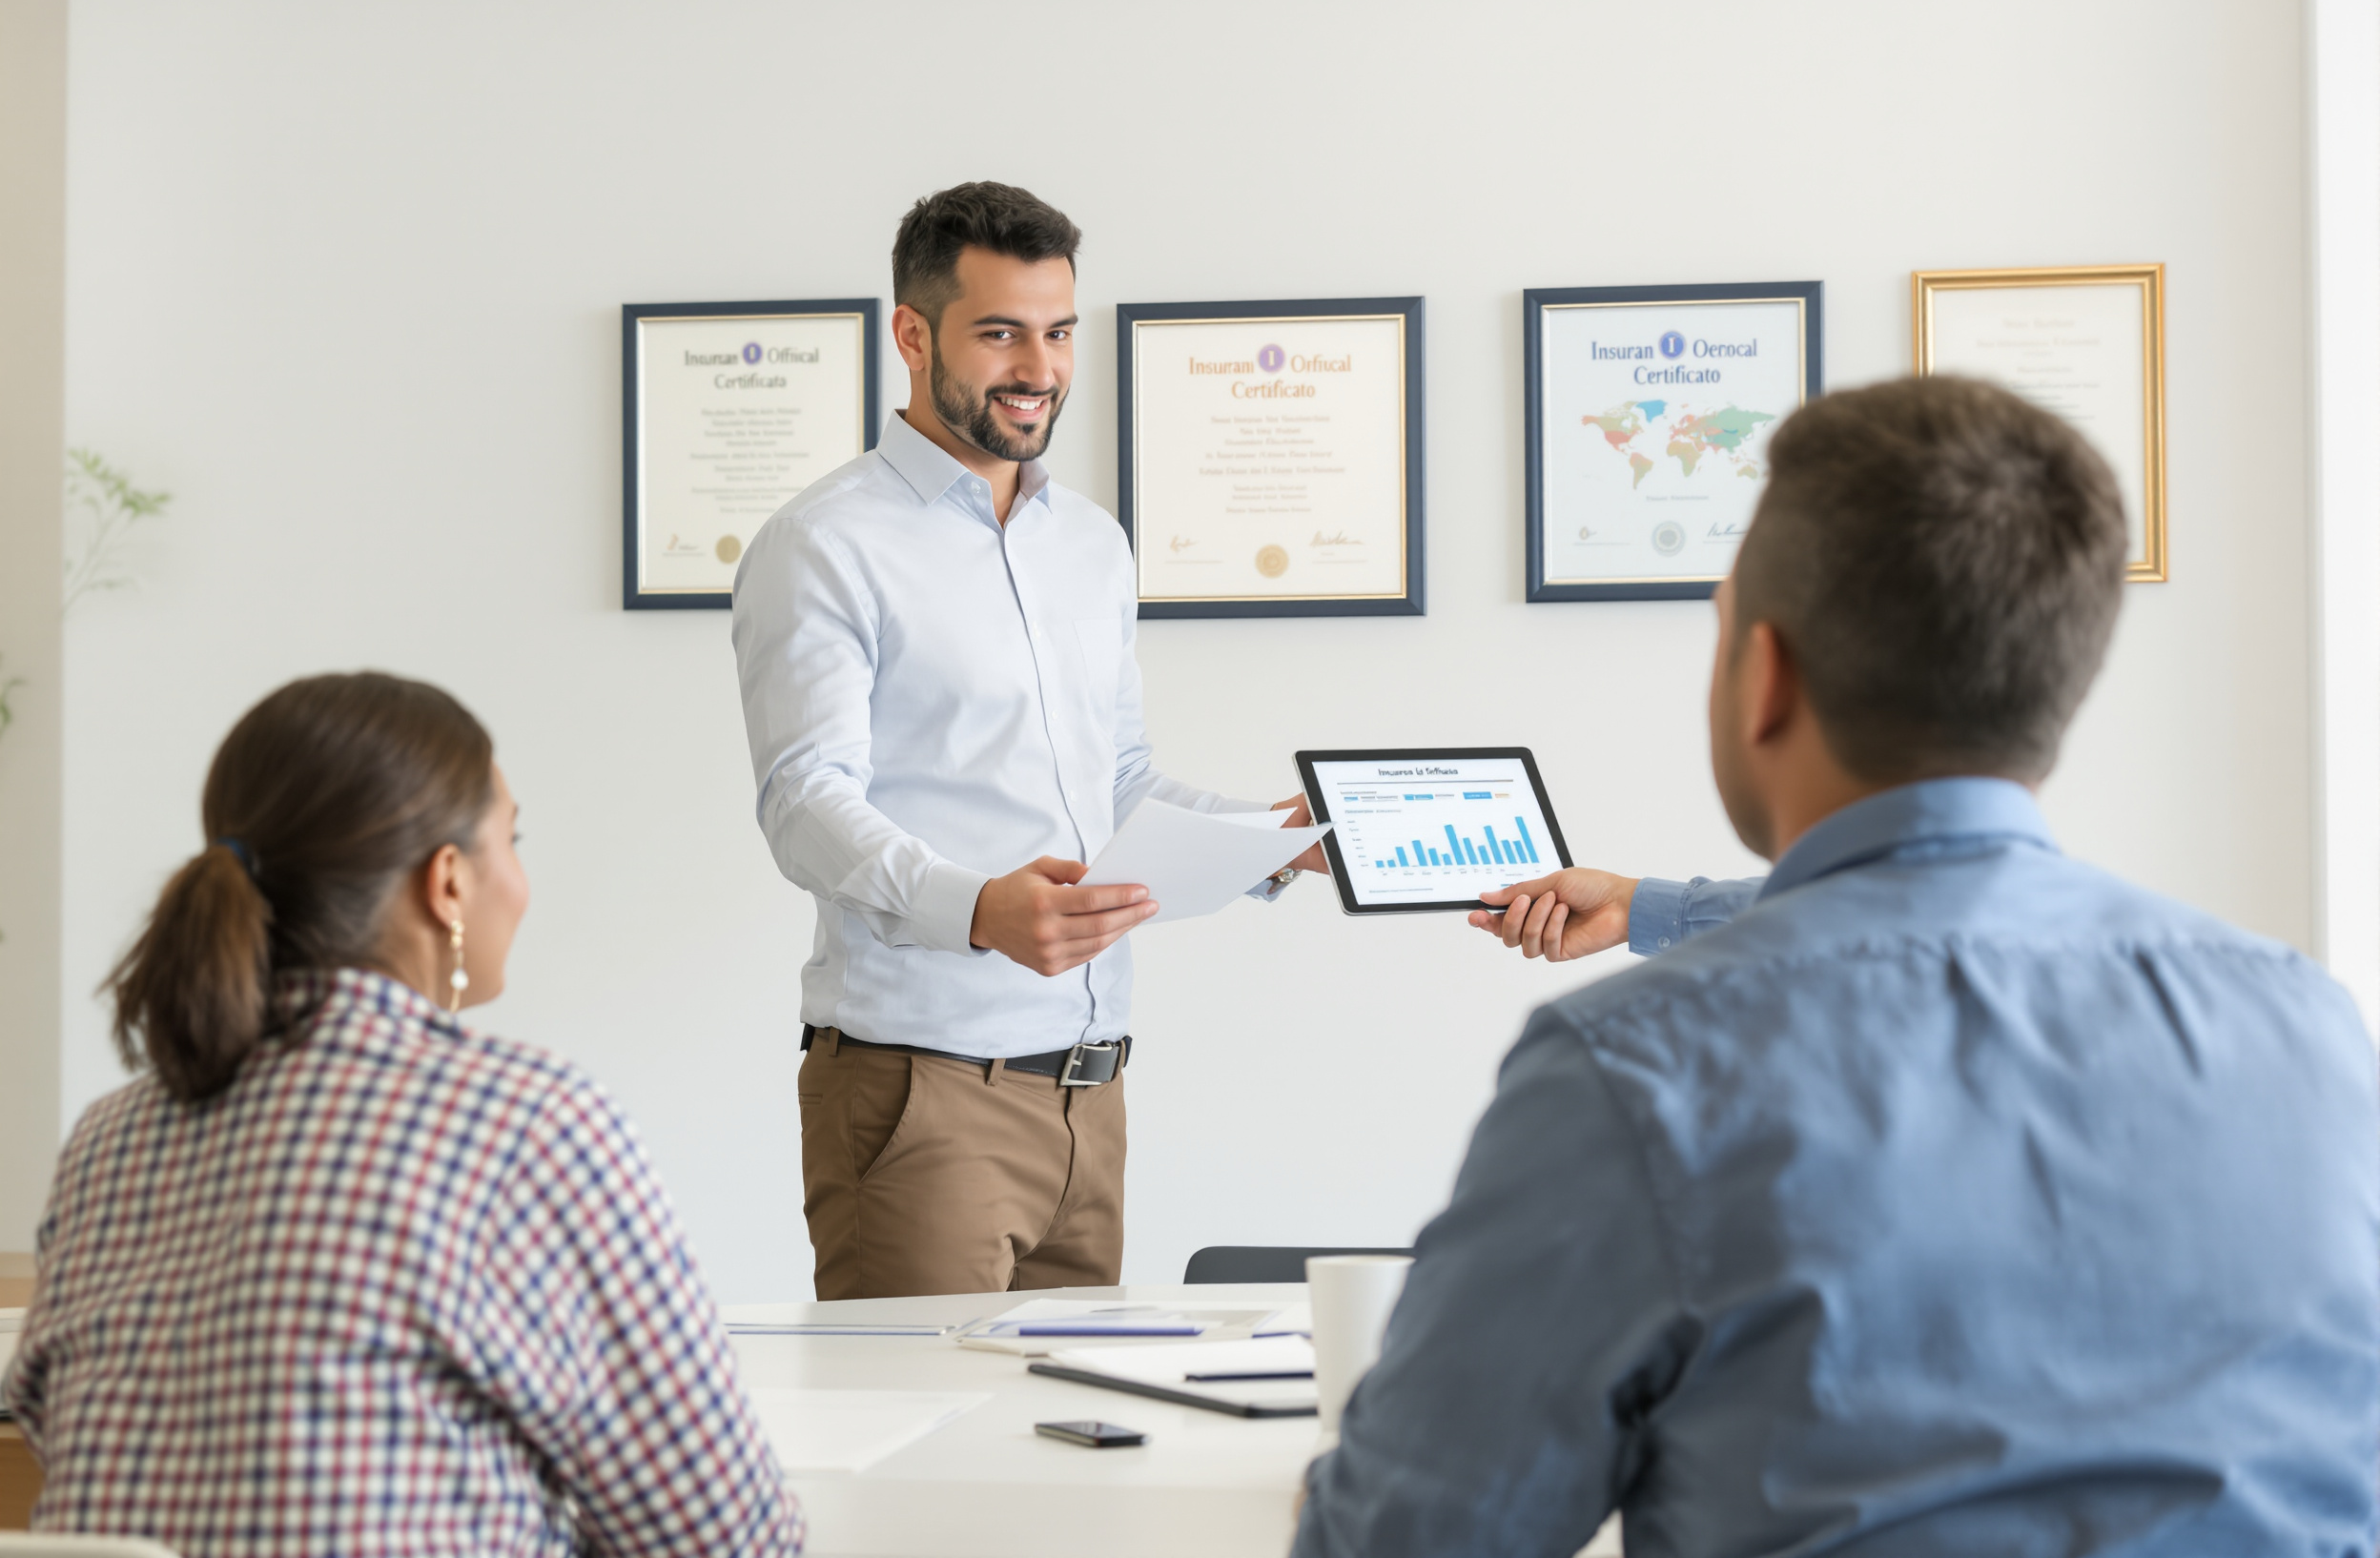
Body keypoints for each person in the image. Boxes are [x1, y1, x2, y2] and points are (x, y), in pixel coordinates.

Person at [1295, 378, 2380, 1556]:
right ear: (2051, 682)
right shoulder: (2309, 1029)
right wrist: (1653, 904)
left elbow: (1409, 1539)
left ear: (1765, 674)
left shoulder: (1632, 1071)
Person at [2, 672, 804, 1558]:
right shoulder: (527, 1125)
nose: (524, 878)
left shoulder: (111, 1138)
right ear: (449, 882)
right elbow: (726, 1538)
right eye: (514, 838)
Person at [731, 181, 1321, 1300]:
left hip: (1091, 1099)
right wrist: (978, 908)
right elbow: (804, 800)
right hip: (924, 1099)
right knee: (924, 1453)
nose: (1039, 368)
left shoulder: (1090, 544)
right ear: (913, 335)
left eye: (1057, 333)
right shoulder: (823, 543)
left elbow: (1124, 778)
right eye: (999, 332)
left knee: (1067, 1444)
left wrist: (1273, 840)